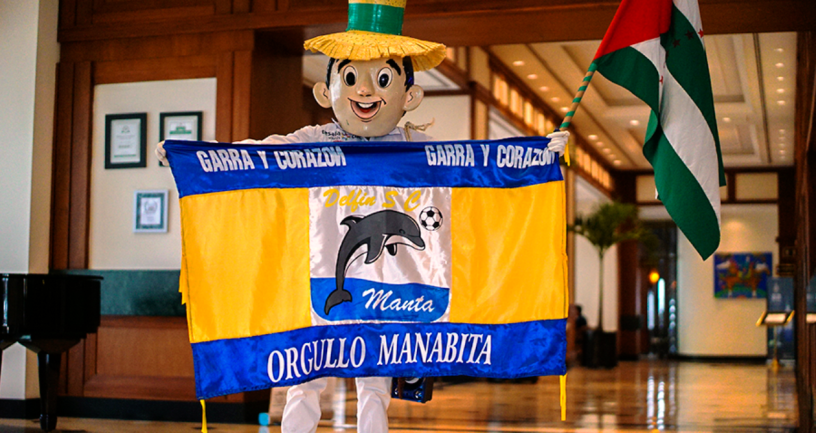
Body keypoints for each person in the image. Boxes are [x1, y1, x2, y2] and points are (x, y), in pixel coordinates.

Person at [157, 1, 569, 431]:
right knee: (305, 376)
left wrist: (537, 157)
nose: (365, 91)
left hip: (386, 286)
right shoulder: (311, 140)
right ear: (326, 90)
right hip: (314, 280)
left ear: (409, 96)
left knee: (376, 378)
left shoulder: (414, 147)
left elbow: (473, 170)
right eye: (351, 77)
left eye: (383, 79)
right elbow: (254, 156)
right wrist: (192, 159)